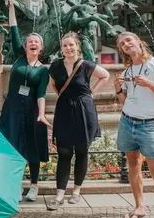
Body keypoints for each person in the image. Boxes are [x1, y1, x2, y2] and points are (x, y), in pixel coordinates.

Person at [114, 31, 154, 218]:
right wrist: (118, 88)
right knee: (133, 164)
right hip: (127, 122)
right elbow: (126, 102)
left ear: (138, 42)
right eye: (122, 44)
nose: (125, 44)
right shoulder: (127, 72)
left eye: (128, 40)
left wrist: (149, 84)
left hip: (149, 125)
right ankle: (139, 207)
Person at [47, 32, 109, 210]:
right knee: (64, 153)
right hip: (64, 111)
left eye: (71, 45)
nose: (68, 48)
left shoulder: (85, 65)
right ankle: (59, 193)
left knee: (82, 151)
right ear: (62, 48)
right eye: (65, 45)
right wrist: (62, 95)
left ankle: (76, 191)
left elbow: (105, 75)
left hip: (84, 111)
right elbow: (53, 84)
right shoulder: (55, 66)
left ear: (77, 47)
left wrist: (91, 93)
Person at [0, 0, 51, 202]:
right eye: (30, 41)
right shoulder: (19, 56)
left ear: (41, 47)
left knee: (32, 146)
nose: (33, 44)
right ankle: (17, 186)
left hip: (30, 111)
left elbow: (41, 94)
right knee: (13, 147)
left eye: (36, 42)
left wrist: (42, 114)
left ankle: (34, 185)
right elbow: (14, 29)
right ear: (26, 46)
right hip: (12, 109)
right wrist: (11, 8)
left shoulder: (43, 70)